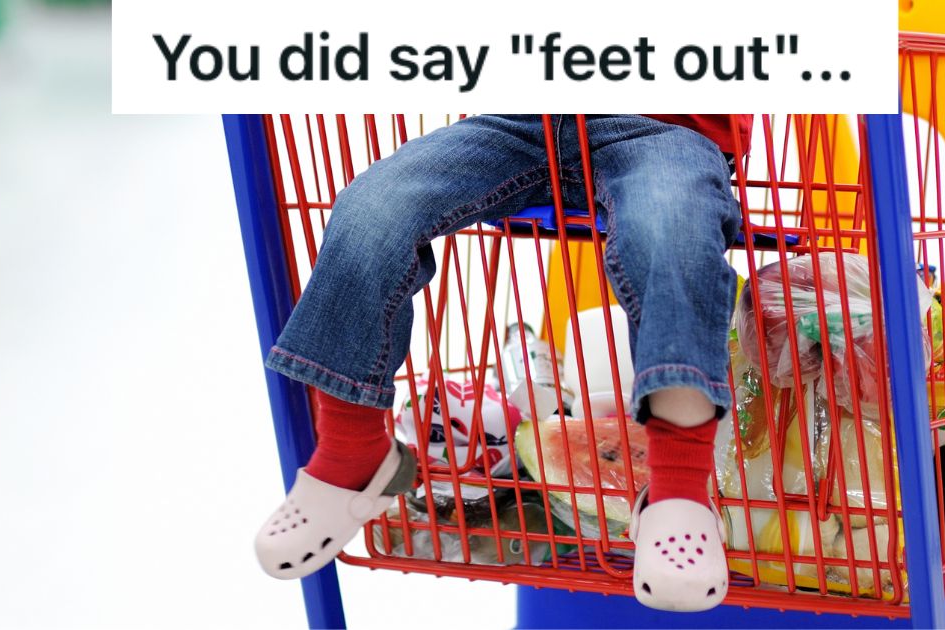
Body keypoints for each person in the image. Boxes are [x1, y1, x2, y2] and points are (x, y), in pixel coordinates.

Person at [253, 114, 752, 612]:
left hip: (667, 126)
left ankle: (680, 487)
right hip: (522, 117)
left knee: (673, 229)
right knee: (372, 209)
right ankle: (351, 448)